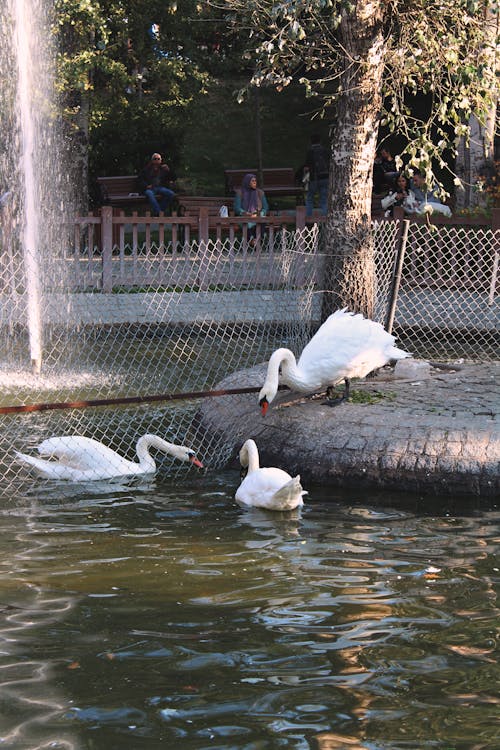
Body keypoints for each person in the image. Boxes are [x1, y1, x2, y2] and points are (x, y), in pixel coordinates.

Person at [234, 173, 269, 243]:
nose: (255, 182)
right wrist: (246, 213)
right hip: (245, 216)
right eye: (252, 181)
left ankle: (256, 240)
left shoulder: (260, 192)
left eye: (255, 181)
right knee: (246, 222)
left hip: (257, 215)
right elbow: (237, 208)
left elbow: (265, 207)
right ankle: (251, 240)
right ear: (247, 182)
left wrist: (260, 213)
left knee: (262, 220)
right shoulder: (240, 193)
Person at [304, 134, 330, 216]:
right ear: (320, 141)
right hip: (325, 177)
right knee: (324, 199)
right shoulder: (325, 151)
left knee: (310, 197)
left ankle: (308, 216)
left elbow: (307, 165)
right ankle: (325, 217)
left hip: (313, 178)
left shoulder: (310, 151)